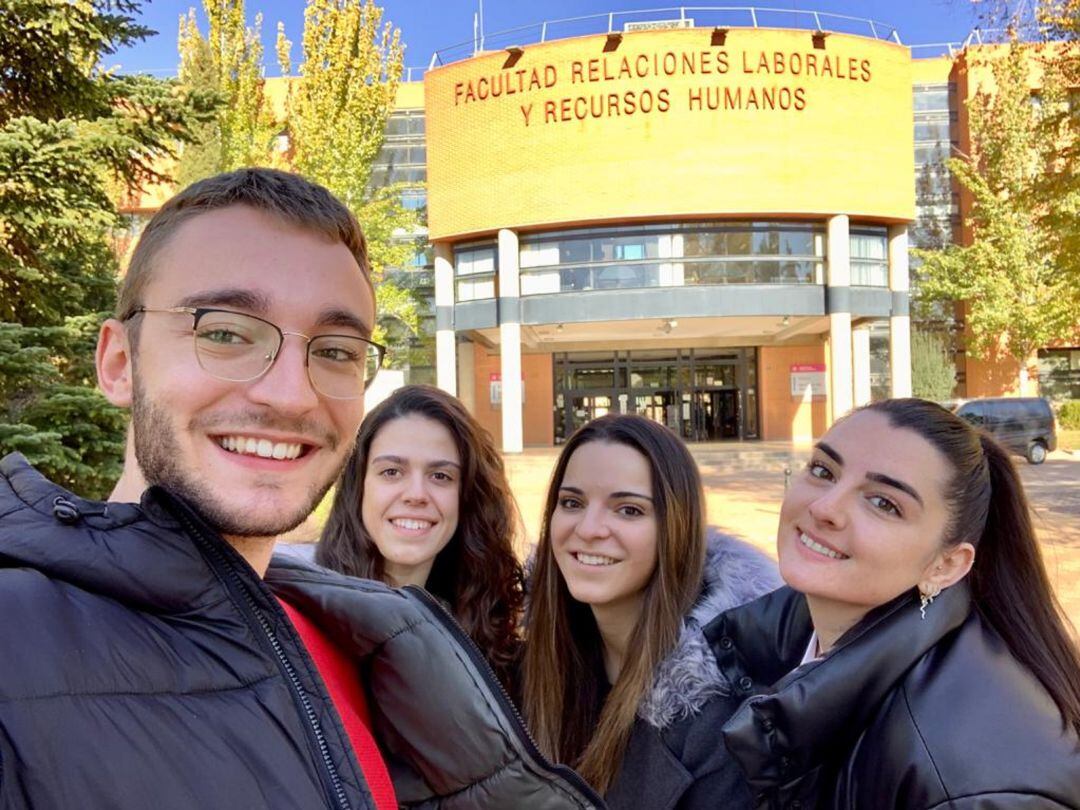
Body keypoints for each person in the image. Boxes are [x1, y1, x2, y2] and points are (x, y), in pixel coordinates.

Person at [0, 168, 603, 809]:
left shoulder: (359, 646)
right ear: (119, 363)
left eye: (337, 350)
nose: (291, 394)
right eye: (226, 332)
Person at [715, 398, 1080, 808]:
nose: (824, 507)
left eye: (883, 503)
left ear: (945, 566)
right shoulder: (767, 640)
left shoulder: (976, 785)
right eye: (823, 471)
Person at [522, 413, 781, 808]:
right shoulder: (538, 661)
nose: (589, 529)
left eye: (628, 510)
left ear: (675, 528)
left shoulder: (722, 715)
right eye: (572, 502)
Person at [317, 384, 524, 689]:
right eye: (391, 472)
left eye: (440, 476)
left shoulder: (491, 641)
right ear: (358, 487)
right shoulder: (301, 623)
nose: (416, 495)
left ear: (467, 497)